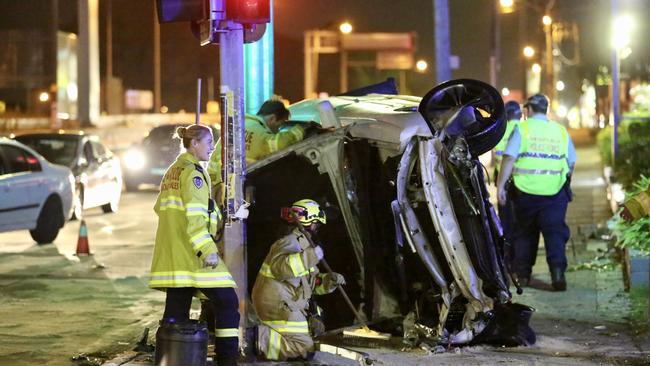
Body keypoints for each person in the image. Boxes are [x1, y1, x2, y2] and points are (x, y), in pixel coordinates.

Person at [148, 124, 240, 366]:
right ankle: (228, 360)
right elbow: (196, 218)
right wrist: (208, 250)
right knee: (228, 301)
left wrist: (219, 215)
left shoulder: (173, 171)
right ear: (195, 143)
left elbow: (161, 208)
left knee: (175, 314)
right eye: (209, 142)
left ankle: (169, 360)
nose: (212, 147)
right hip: (193, 256)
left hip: (174, 254)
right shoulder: (195, 175)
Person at [496, 94, 576, 291]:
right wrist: (564, 180)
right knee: (555, 234)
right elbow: (571, 161)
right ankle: (558, 276)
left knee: (525, 234)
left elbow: (508, 159)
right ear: (546, 110)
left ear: (529, 109)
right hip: (555, 193)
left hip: (526, 193)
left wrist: (501, 186)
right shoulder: (560, 131)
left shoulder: (521, 129)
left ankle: (523, 276)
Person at [251, 199, 345, 361]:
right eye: (317, 224)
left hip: (285, 301)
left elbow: (307, 285)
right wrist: (312, 256)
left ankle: (261, 337)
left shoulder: (303, 245)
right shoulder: (290, 242)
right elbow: (281, 269)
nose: (317, 229)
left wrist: (328, 282)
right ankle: (251, 338)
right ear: (311, 223)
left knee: (312, 336)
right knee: (304, 348)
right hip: (277, 303)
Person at [208, 99, 307, 198]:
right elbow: (278, 144)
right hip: (234, 192)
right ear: (272, 119)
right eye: (279, 125)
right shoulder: (258, 132)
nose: (278, 130)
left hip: (218, 188)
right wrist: (300, 130)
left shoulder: (235, 126)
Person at [493, 101, 523, 244]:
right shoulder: (523, 129)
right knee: (521, 220)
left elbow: (496, 158)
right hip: (520, 182)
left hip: (503, 181)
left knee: (506, 221)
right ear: (520, 113)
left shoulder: (500, 131)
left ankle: (507, 251)